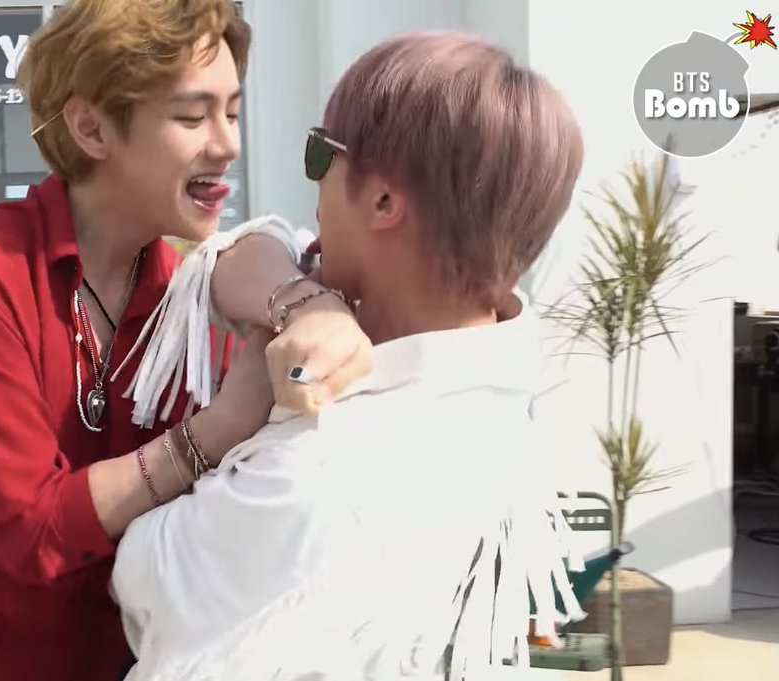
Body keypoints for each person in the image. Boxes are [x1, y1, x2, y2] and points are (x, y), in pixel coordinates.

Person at [0, 1, 372, 679]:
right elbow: (28, 530)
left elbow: (263, 249)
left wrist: (310, 302)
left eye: (232, 113)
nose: (227, 145)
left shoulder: (191, 297)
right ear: (91, 127)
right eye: (192, 117)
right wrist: (215, 430)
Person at [112, 31, 588, 680]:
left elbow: (142, 576)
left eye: (321, 154)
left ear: (384, 202)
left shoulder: (319, 478)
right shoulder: (496, 392)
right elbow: (249, 248)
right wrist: (304, 302)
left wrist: (228, 424)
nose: (313, 184)